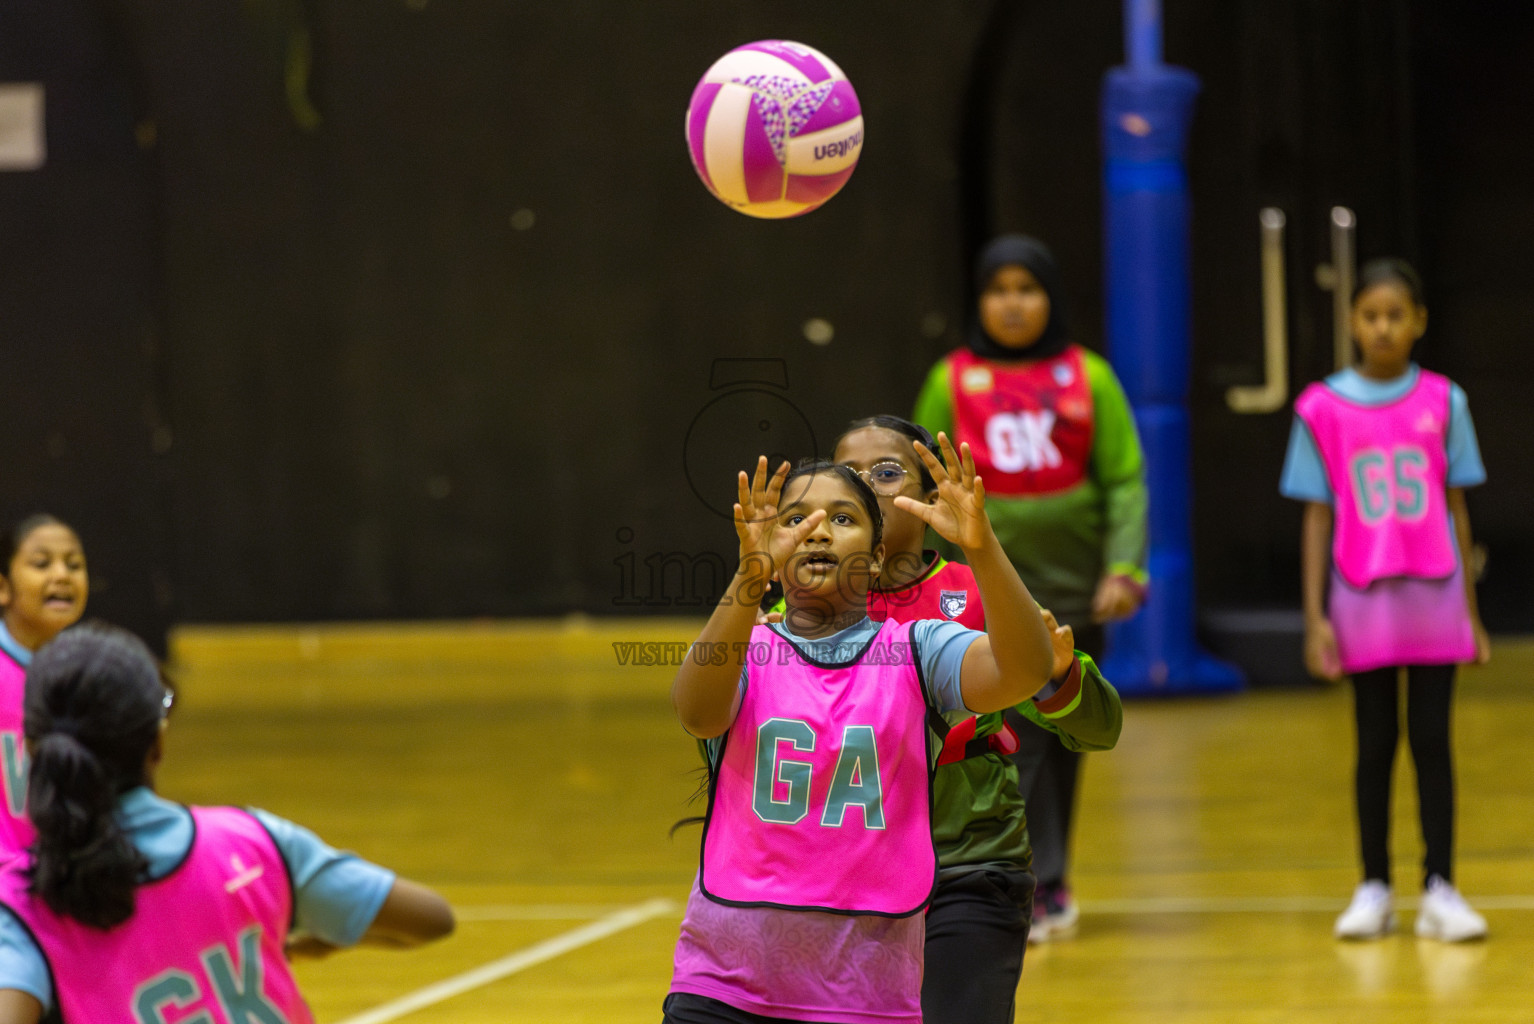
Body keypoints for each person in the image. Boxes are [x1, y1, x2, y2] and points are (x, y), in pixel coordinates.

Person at [665, 437, 1056, 1024]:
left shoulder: (918, 650)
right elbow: (696, 713)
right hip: (723, 980)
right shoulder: (749, 648)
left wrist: (984, 549)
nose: (817, 531)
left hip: (863, 991)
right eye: (796, 519)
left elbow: (1024, 671)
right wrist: (748, 577)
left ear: (875, 559)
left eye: (842, 518)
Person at [0, 622, 455, 1022]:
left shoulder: (24, 904)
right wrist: (330, 937)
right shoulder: (251, 841)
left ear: (34, 752)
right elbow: (433, 919)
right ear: (157, 744)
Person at [827, 415, 1122, 1024]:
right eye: (847, 477)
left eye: (885, 473)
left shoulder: (979, 591)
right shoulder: (801, 606)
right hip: (842, 880)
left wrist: (1063, 677)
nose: (865, 488)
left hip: (967, 862)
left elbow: (1099, 728)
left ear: (932, 495)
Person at [913, 234, 1148, 940]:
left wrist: (1124, 567)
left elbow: (1126, 477)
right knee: (1001, 731)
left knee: (1060, 731)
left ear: (1051, 297)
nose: (1012, 303)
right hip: (980, 593)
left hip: (1074, 591)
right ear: (979, 302)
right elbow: (920, 478)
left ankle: (1049, 875)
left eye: (1027, 288)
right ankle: (1017, 876)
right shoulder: (950, 378)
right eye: (998, 289)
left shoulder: (1091, 377)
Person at [1281, 257, 1490, 943]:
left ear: (1419, 322)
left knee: (1433, 740)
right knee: (1375, 743)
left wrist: (1474, 611)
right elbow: (1316, 516)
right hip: (1361, 597)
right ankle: (1374, 884)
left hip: (1435, 593)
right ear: (1352, 321)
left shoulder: (1444, 400)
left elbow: (1457, 505)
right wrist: (1314, 618)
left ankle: (1442, 886)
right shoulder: (1321, 406)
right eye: (1370, 315)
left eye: (1396, 315)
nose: (1382, 326)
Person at [0, 515, 89, 855]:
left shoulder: (89, 671)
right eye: (41, 563)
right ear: (3, 587)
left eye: (74, 564)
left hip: (60, 878)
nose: (62, 575)